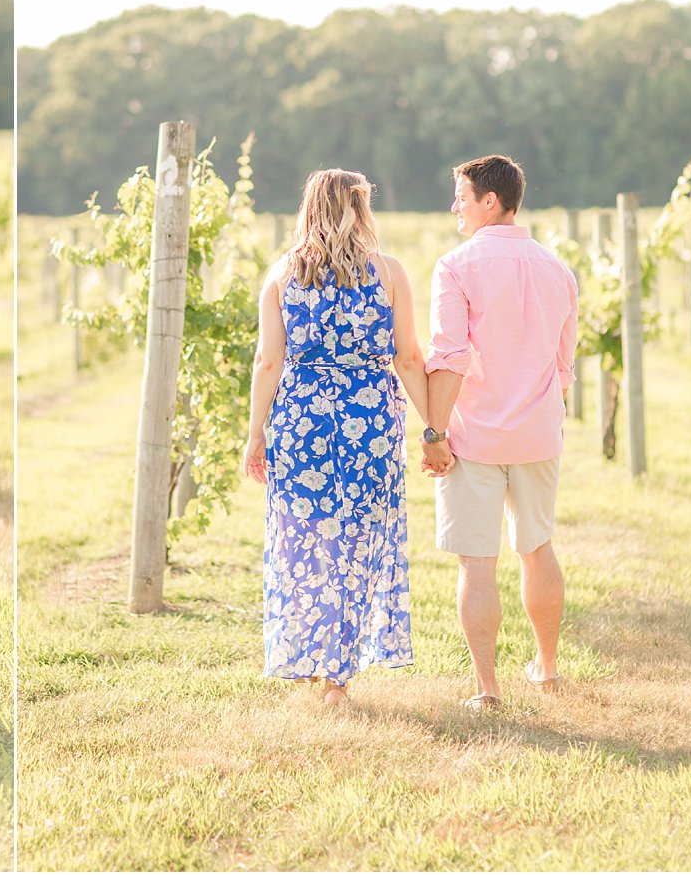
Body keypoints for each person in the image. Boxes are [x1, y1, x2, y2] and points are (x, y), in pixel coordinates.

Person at [243, 169, 429, 707]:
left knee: (302, 539)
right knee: (356, 542)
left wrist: (256, 433)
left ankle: (308, 658)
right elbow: (409, 358)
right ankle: (338, 679)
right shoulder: (389, 273)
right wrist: (435, 427)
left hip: (300, 424)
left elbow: (268, 360)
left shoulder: (282, 275)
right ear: (359, 210)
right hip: (369, 425)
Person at [421, 154, 578, 712]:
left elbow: (449, 355)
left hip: (474, 437)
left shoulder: (455, 266)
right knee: (538, 548)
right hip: (538, 434)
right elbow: (564, 367)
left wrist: (433, 430)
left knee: (477, 562)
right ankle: (548, 670)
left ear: (491, 201)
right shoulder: (559, 270)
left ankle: (487, 688)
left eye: (461, 196)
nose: (455, 207)